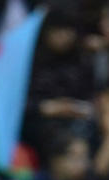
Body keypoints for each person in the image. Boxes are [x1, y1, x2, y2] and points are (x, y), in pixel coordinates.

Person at [23, 6, 96, 157]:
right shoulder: (29, 60)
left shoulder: (82, 60)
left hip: (78, 119)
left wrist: (78, 108)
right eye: (58, 31)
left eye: (69, 31)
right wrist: (46, 107)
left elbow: (91, 95)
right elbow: (16, 102)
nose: (64, 37)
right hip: (38, 121)